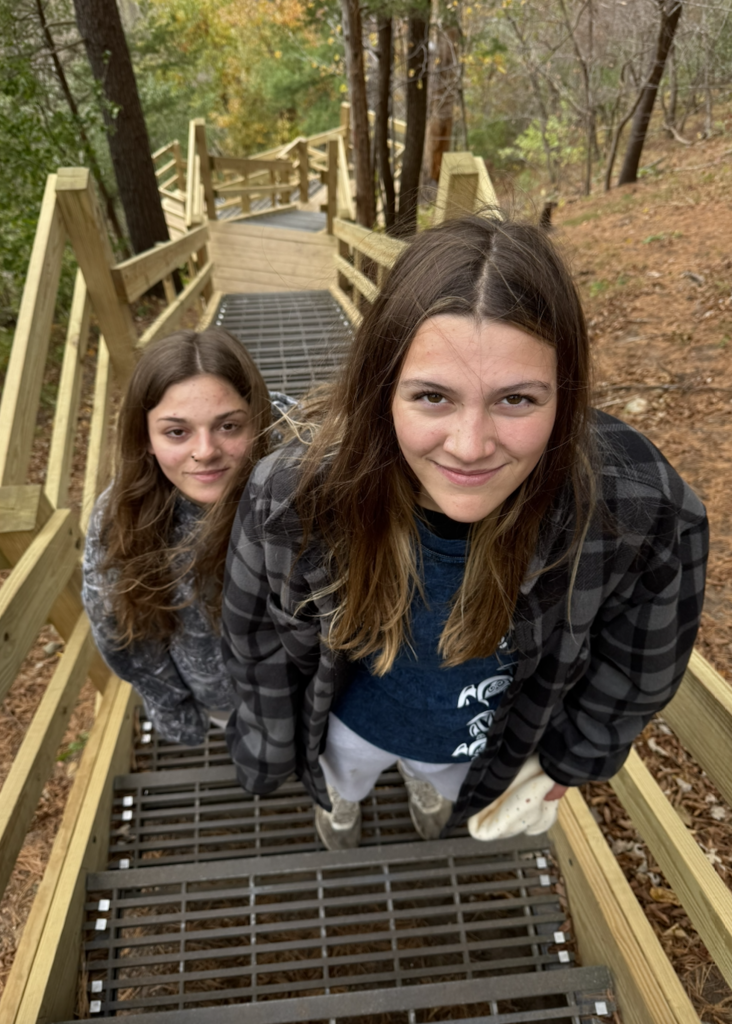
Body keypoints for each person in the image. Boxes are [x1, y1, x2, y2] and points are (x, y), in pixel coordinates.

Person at [219, 215, 708, 850]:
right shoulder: (290, 497)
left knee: (440, 777)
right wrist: (269, 749)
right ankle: (341, 799)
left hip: (477, 744)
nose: (470, 446)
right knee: (347, 773)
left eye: (517, 399)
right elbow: (254, 639)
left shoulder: (640, 507)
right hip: (349, 724)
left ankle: (421, 783)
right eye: (432, 396)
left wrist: (572, 760)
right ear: (381, 388)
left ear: (565, 395)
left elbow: (640, 661)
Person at [82, 328, 294, 746]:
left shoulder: (305, 478)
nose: (206, 451)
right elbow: (119, 631)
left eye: (228, 426)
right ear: (145, 438)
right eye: (177, 432)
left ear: (258, 420)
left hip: (315, 687)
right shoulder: (119, 521)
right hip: (222, 696)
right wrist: (173, 708)